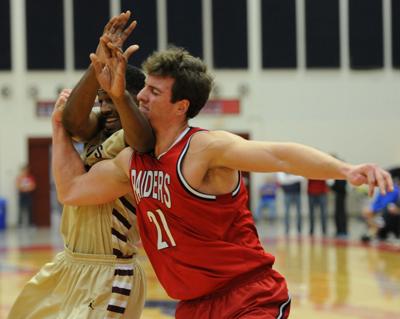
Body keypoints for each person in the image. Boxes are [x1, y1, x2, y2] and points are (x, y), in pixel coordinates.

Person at [52, 41, 393, 318]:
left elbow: (281, 156)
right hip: (193, 306)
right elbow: (71, 190)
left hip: (247, 298)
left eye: (154, 92)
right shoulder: (131, 161)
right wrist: (58, 131)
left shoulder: (204, 148)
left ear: (180, 106)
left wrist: (344, 170)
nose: (141, 95)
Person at [8, 12, 154, 319]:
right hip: (70, 261)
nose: (105, 106)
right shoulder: (99, 125)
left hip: (111, 269)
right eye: (102, 98)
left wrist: (117, 93)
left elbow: (141, 140)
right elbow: (73, 120)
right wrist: (98, 63)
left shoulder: (140, 137)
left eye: (113, 98)